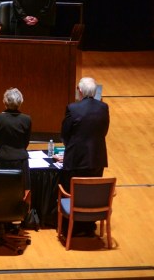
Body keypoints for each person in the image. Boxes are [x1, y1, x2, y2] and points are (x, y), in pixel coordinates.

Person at [60, 76, 109, 236]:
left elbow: (65, 134)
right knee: (91, 192)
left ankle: (73, 228)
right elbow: (104, 131)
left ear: (79, 91)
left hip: (76, 158)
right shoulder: (104, 107)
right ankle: (89, 225)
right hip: (97, 157)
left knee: (72, 191)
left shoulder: (73, 108)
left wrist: (70, 148)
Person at [0, 87, 32, 189]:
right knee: (21, 190)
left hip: (3, 159)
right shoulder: (27, 119)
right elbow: (26, 141)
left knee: (2, 190)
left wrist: (1, 151)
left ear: (5, 101)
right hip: (21, 160)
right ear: (20, 101)